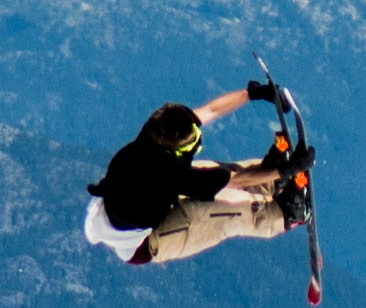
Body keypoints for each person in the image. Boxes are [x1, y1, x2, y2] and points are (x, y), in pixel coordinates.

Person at [90, 83, 308, 269]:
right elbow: (237, 182)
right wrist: (289, 169)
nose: (196, 141)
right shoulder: (170, 173)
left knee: (214, 171)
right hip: (143, 244)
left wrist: (254, 93)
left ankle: (270, 181)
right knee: (223, 211)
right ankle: (284, 213)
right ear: (174, 151)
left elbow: (211, 110)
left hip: (143, 199)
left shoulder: (158, 130)